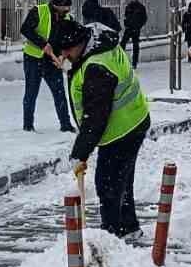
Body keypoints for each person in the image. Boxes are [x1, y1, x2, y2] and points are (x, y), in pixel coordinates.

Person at [57, 21, 151, 239]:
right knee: (122, 180)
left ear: (79, 44)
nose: (65, 55)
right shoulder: (100, 44)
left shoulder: (96, 68)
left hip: (122, 130)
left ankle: (111, 236)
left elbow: (95, 118)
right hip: (133, 120)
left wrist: (80, 153)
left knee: (107, 184)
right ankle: (129, 228)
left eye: (67, 50)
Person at [20, 0, 76, 132]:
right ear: (55, 5)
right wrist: (43, 44)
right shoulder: (39, 11)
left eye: (68, 8)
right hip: (33, 59)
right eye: (64, 8)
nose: (66, 11)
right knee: (31, 93)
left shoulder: (68, 19)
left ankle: (65, 124)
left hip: (52, 62)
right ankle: (28, 125)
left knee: (59, 93)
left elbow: (69, 40)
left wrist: (63, 55)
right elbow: (25, 29)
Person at [123, 0, 147, 67]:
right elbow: (126, 17)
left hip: (136, 29)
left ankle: (134, 62)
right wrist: (126, 24)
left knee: (135, 46)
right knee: (122, 44)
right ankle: (121, 60)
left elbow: (144, 18)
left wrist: (139, 26)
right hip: (129, 28)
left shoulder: (141, 7)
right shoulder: (128, 7)